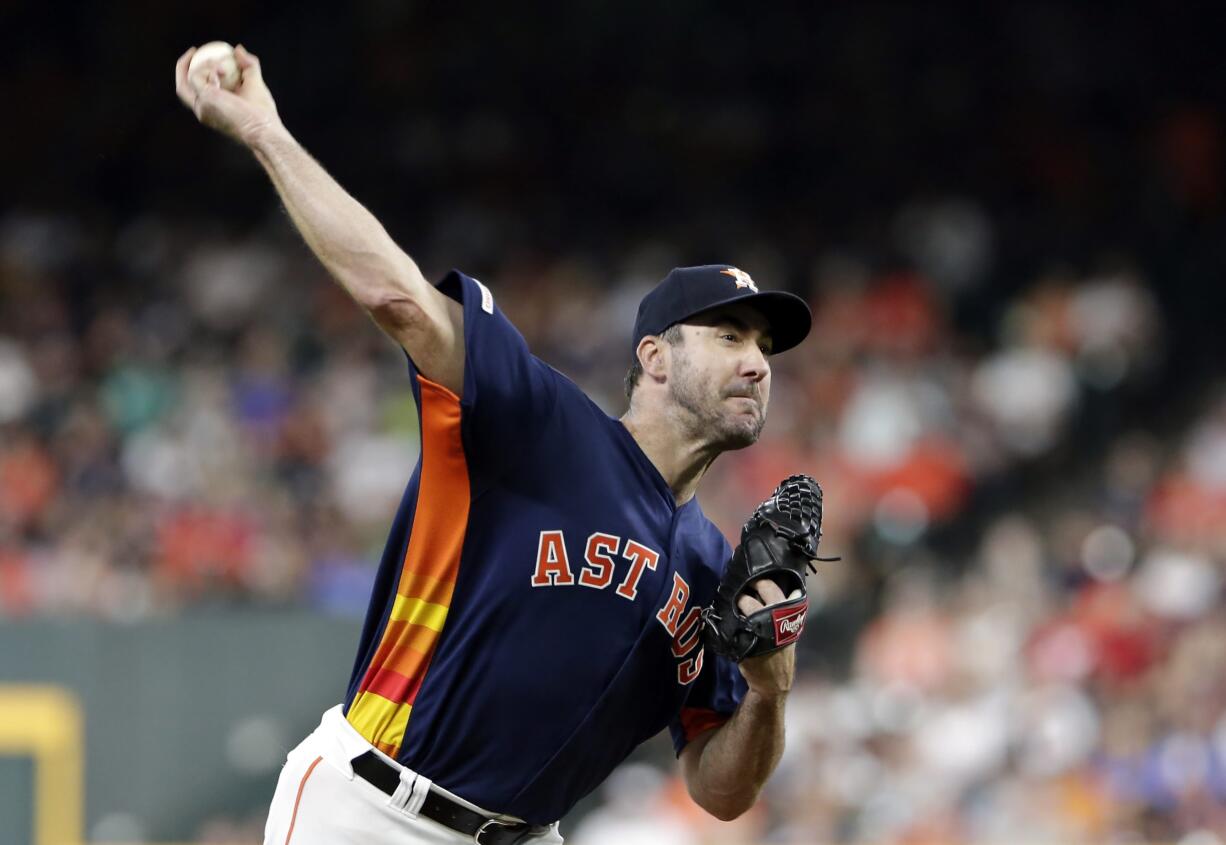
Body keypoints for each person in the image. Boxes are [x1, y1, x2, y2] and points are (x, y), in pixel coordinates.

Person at [175, 43, 818, 845]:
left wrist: (769, 693)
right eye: (729, 335)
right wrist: (264, 129)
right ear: (653, 357)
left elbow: (721, 794)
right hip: (376, 808)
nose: (757, 363)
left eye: (765, 349)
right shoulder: (538, 420)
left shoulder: (712, 566)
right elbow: (399, 298)